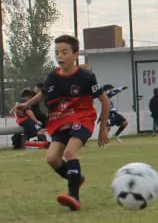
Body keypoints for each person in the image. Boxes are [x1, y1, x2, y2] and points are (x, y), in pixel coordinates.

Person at [13, 35, 109, 211]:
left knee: (70, 152)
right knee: (51, 159)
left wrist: (103, 130)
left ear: (75, 54)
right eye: (57, 53)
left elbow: (105, 101)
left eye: (64, 52)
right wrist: (26, 104)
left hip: (82, 119)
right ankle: (76, 178)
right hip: (60, 120)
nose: (60, 57)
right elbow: (44, 93)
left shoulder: (86, 77)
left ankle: (73, 197)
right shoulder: (52, 76)